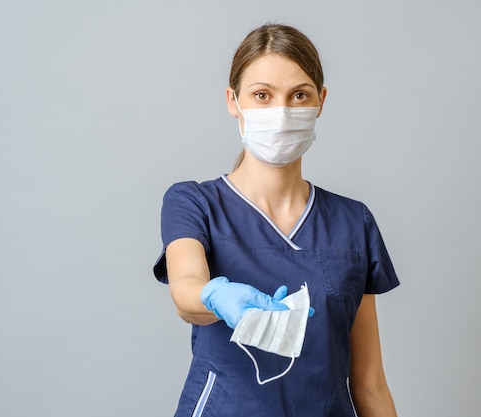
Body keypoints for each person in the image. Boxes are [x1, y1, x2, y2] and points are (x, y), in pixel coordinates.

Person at [153, 23, 400, 417]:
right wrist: (215, 296)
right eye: (262, 95)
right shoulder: (194, 202)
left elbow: (370, 384)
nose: (281, 113)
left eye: (298, 95)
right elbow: (185, 289)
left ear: (320, 101)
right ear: (233, 101)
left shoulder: (354, 222)